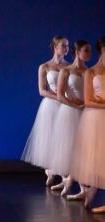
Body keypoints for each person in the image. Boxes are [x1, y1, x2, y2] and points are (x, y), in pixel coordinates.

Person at [21, 35, 70, 186]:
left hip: (65, 105)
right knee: (50, 139)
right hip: (51, 104)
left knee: (63, 139)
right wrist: (58, 97)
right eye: (63, 45)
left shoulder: (68, 66)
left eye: (67, 46)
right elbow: (42, 90)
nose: (66, 48)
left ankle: (63, 175)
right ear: (55, 47)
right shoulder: (45, 67)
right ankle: (50, 170)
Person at [49, 40, 91, 196]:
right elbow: (60, 95)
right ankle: (73, 183)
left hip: (86, 112)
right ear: (77, 52)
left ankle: (81, 187)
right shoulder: (66, 71)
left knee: (83, 150)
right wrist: (76, 106)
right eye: (86, 50)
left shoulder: (89, 71)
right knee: (72, 149)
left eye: (90, 51)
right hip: (70, 112)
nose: (89, 54)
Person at [69, 36, 105, 211]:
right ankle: (91, 191)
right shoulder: (91, 72)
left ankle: (93, 193)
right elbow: (89, 101)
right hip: (97, 118)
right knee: (98, 156)